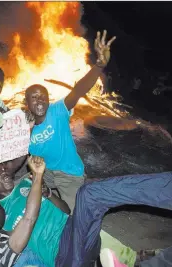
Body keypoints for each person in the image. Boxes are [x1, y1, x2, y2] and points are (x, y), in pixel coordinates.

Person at [0, 166, 172, 267]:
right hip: (63, 259)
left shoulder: (26, 183)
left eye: (2, 169)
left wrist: (48, 194)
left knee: (89, 193)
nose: (1, 172)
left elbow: (65, 210)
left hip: (74, 232)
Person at [24, 30, 116, 211]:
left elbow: (78, 90)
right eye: (33, 98)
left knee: (75, 215)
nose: (39, 100)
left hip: (69, 173)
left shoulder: (58, 111)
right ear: (26, 103)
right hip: (44, 173)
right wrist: (26, 129)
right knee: (26, 201)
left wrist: (98, 66)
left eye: (43, 96)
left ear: (48, 99)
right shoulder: (23, 124)